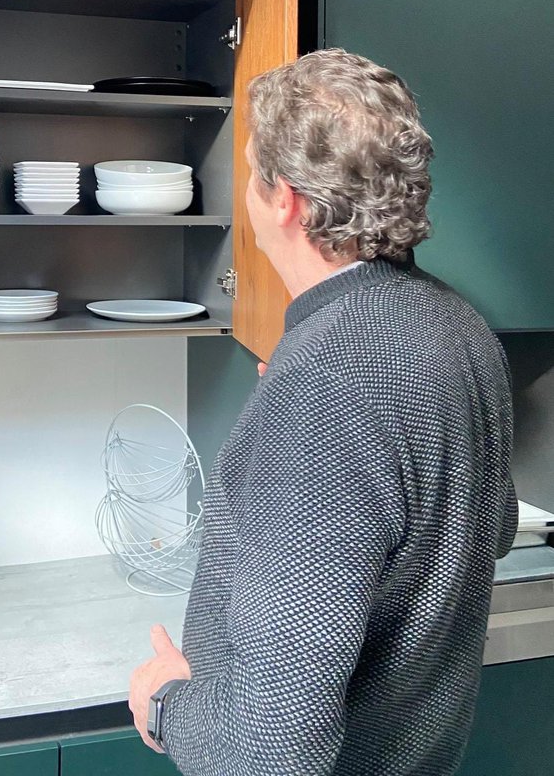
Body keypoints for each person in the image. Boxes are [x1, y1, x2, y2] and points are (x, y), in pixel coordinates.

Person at [128, 48, 517, 775]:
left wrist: (167, 705)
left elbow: (273, 751)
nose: (246, 190)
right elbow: (483, 534)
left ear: (287, 202)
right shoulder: (461, 328)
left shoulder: (328, 378)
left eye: (250, 170)